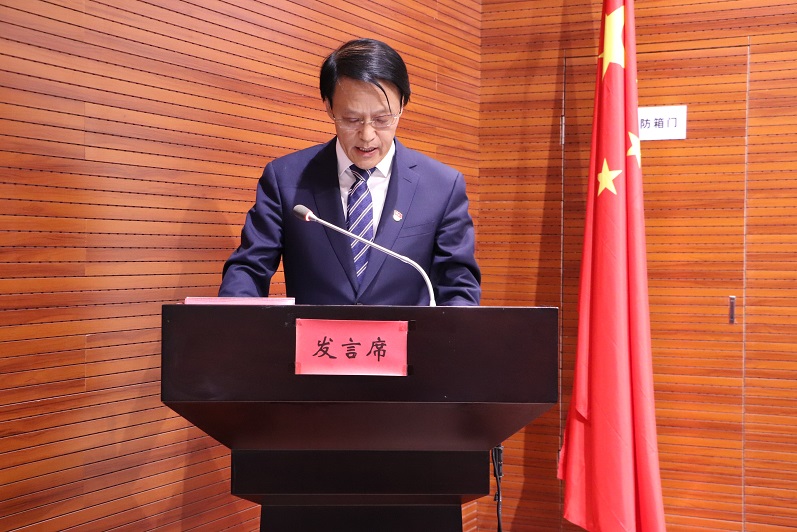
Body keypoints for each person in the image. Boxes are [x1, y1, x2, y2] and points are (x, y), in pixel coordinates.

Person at [218, 38, 481, 306]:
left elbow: (458, 287)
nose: (367, 135)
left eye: (382, 119)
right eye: (351, 119)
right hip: (315, 335)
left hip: (404, 335)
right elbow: (249, 268)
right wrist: (232, 320)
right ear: (329, 106)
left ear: (402, 105)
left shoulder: (442, 187)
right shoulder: (286, 179)